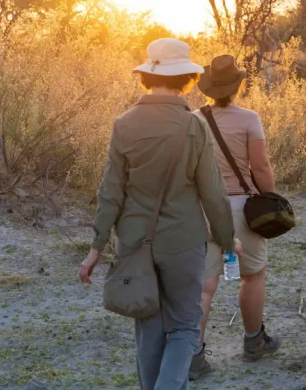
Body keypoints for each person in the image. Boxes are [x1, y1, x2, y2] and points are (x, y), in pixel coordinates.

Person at [78, 38, 241, 390]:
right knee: (184, 325)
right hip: (184, 240)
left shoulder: (124, 123)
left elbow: (110, 191)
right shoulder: (193, 125)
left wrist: (96, 247)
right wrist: (228, 238)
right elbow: (212, 191)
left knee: (148, 325)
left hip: (134, 242)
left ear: (148, 76)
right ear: (186, 78)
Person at [189, 55, 281, 380]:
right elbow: (260, 168)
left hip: (202, 209)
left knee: (203, 286)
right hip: (243, 208)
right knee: (253, 275)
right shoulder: (249, 119)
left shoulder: (193, 119)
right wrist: (271, 199)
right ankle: (255, 342)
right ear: (237, 86)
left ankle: (193, 358)